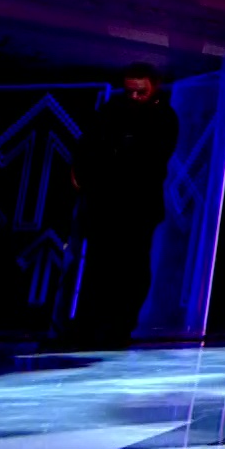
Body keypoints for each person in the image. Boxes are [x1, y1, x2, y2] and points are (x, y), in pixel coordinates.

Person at [59, 63, 180, 347]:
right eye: (131, 92)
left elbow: (153, 158)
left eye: (141, 92)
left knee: (131, 268)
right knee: (98, 266)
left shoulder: (163, 117)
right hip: (105, 204)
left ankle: (120, 326)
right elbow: (88, 143)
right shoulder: (112, 110)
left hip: (138, 207)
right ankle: (87, 325)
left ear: (154, 87)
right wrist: (82, 172)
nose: (135, 97)